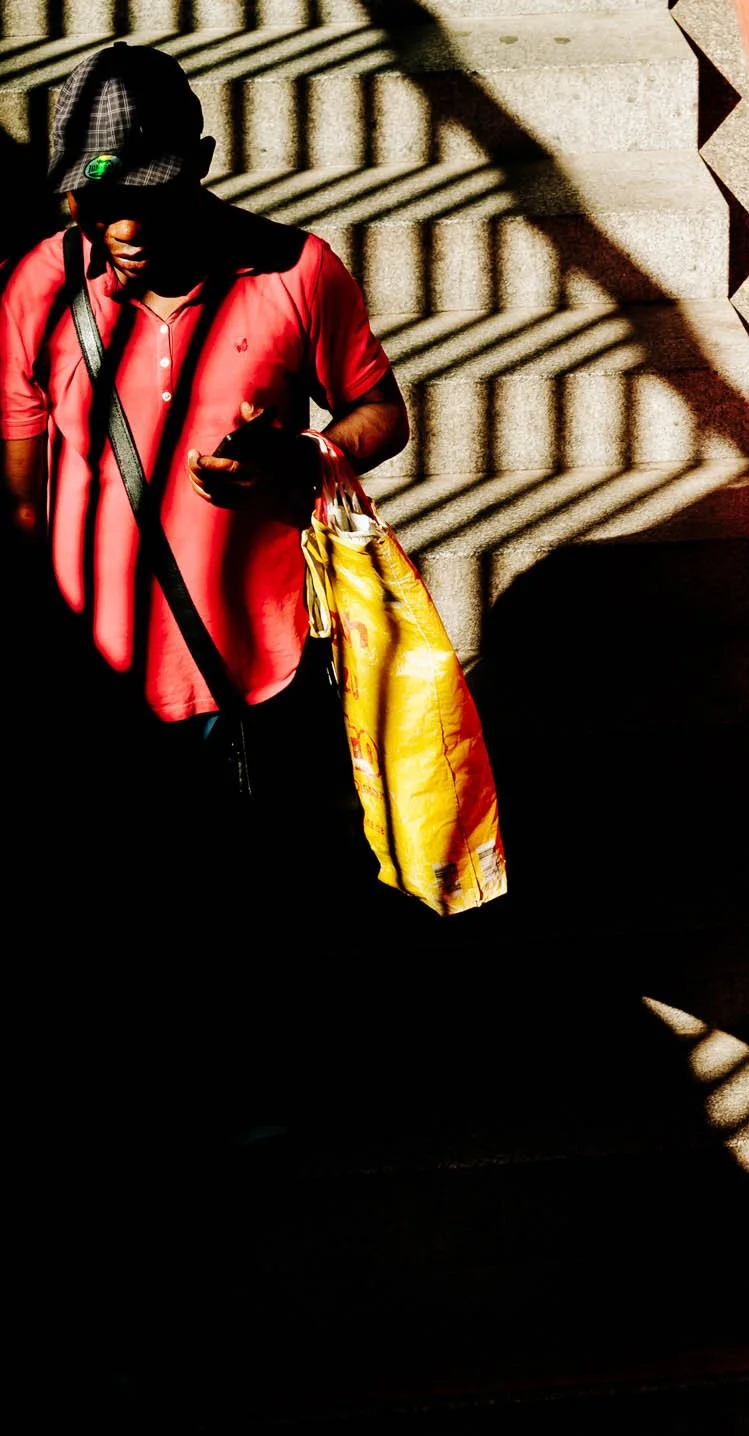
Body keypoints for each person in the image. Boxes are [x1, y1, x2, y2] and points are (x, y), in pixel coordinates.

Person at [0, 39, 411, 1145]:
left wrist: (305, 456)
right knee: (125, 910)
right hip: (102, 675)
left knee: (261, 905)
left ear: (199, 169)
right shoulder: (45, 286)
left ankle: (269, 1098)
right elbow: (23, 490)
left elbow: (384, 413)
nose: (123, 228)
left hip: (259, 674)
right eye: (99, 204)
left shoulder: (295, 273)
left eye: (147, 197)